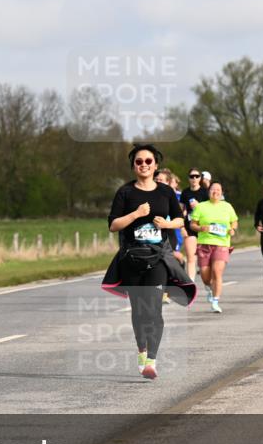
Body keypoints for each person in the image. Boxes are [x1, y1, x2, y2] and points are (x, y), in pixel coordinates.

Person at [102, 144, 195, 380]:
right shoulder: (125, 193)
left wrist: (166, 225)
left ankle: (151, 361)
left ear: (155, 165)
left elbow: (180, 221)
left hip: (159, 258)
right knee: (139, 311)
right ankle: (141, 350)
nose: (144, 165)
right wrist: (135, 214)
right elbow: (113, 225)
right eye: (139, 162)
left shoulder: (164, 192)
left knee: (153, 309)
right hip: (132, 257)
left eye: (148, 161)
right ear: (134, 166)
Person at [190, 180, 238, 313]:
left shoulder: (227, 206)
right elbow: (192, 224)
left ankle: (216, 301)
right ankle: (209, 288)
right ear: (209, 191)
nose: (215, 191)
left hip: (222, 244)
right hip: (204, 244)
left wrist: (232, 230)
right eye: (213, 189)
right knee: (205, 276)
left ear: (221, 192)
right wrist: (200, 227)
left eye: (218, 189)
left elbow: (234, 222)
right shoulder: (201, 207)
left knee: (217, 271)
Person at [178, 168, 209, 280]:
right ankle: (191, 284)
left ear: (200, 178)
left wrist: (199, 205)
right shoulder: (185, 193)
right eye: (192, 176)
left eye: (197, 176)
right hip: (190, 227)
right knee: (191, 258)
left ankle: (208, 284)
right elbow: (180, 211)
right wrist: (181, 227)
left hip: (204, 228)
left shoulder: (205, 192)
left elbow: (211, 210)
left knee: (204, 259)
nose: (194, 178)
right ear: (188, 179)